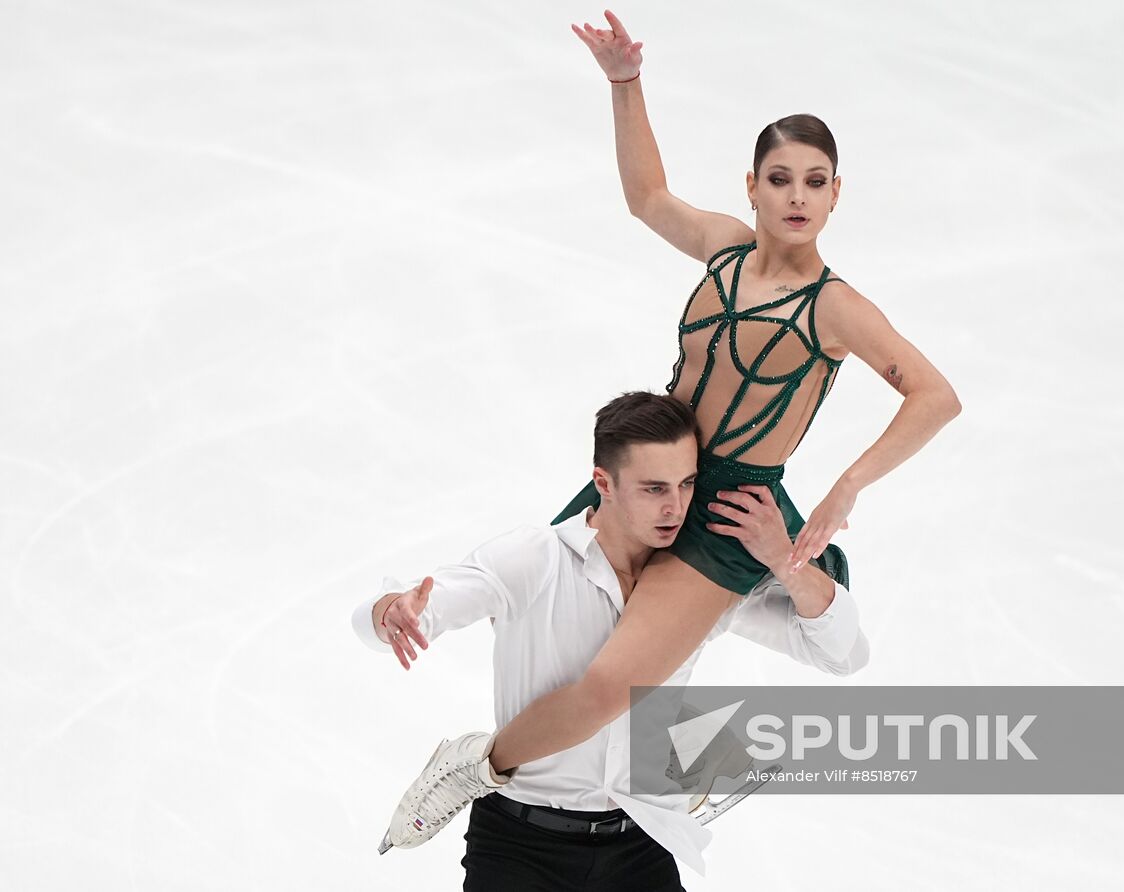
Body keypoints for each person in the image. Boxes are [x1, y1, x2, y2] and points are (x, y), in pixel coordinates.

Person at [384, 8, 960, 850]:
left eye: (815, 179)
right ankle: (686, 762)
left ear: (837, 193)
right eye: (780, 178)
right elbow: (646, 197)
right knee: (560, 627)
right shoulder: (725, 250)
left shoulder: (834, 306)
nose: (797, 196)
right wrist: (626, 83)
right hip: (653, 460)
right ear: (752, 186)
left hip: (726, 511)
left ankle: (476, 768)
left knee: (611, 682)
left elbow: (934, 396)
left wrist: (842, 492)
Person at [360, 392, 868, 888]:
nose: (675, 507)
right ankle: (474, 761)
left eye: (687, 484)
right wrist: (391, 612)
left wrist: (784, 559)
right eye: (654, 489)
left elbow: (842, 654)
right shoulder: (538, 558)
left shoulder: (697, 590)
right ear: (603, 481)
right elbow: (413, 609)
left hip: (639, 846)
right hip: (520, 844)